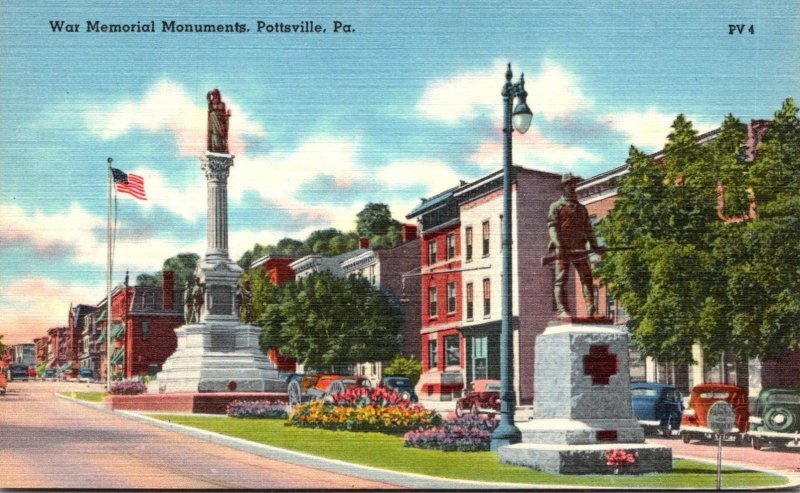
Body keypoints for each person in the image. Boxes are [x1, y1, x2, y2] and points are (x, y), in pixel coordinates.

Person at [547, 173, 604, 318]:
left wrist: (595, 246)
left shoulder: (581, 209)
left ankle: (591, 309)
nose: (573, 187)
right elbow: (552, 228)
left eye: (574, 184)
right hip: (564, 249)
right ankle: (562, 310)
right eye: (569, 184)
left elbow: (589, 229)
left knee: (587, 279)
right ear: (563, 187)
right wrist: (558, 246)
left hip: (580, 249)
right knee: (561, 279)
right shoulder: (556, 207)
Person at [207, 88, 230, 153]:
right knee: (214, 135)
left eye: (216, 95)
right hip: (213, 122)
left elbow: (224, 114)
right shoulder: (211, 103)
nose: (215, 97)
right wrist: (210, 92)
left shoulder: (222, 104)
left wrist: (227, 115)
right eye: (214, 95)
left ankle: (222, 149)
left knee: (221, 135)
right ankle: (214, 148)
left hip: (220, 122)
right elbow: (208, 97)